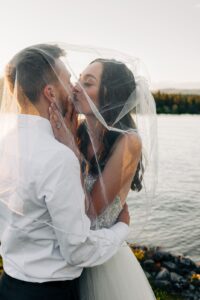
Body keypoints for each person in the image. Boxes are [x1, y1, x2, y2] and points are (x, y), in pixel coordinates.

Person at [0, 44, 131, 300]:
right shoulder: (58, 157)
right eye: (68, 79)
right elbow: (77, 250)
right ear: (49, 92)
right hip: (50, 293)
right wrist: (122, 229)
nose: (73, 87)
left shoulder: (4, 144)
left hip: (10, 286)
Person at [49, 58, 157, 299]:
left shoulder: (128, 142)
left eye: (88, 83)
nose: (76, 86)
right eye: (78, 79)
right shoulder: (76, 129)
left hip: (102, 260)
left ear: (110, 94)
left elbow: (90, 212)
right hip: (67, 254)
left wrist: (71, 150)